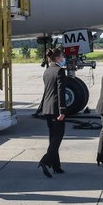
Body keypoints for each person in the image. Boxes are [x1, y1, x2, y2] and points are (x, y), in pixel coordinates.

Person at [37, 47, 67, 177]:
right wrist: (62, 110)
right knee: (58, 137)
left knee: (52, 137)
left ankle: (56, 165)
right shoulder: (59, 71)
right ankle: (45, 161)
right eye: (62, 57)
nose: (63, 59)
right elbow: (60, 92)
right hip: (56, 109)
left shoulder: (47, 71)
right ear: (58, 58)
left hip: (47, 108)